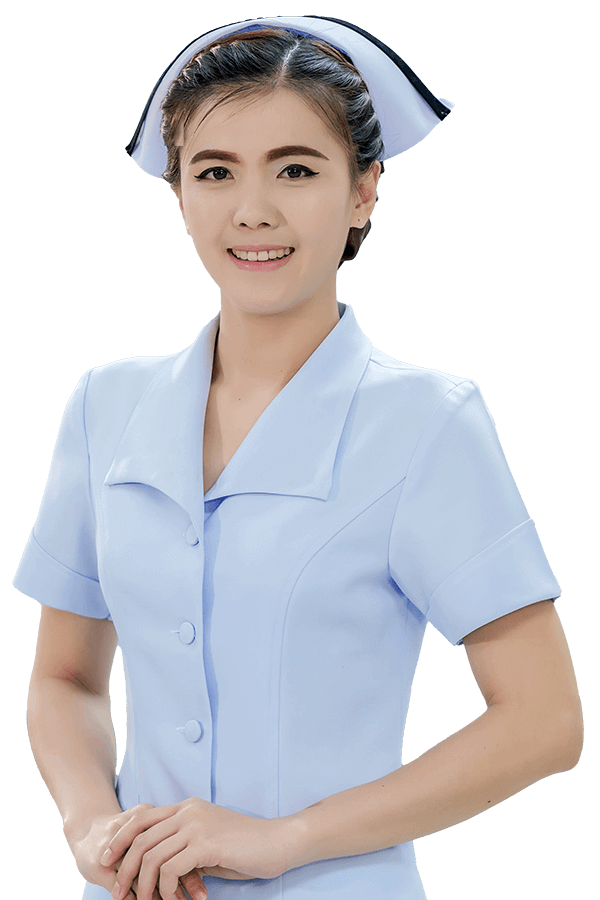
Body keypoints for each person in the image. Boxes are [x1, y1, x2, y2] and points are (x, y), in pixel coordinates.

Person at [17, 16, 582, 900]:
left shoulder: (428, 423)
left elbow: (545, 722)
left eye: (296, 169)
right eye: (215, 172)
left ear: (364, 190)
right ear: (178, 193)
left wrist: (287, 839)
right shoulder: (106, 406)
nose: (253, 211)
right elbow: (66, 679)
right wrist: (92, 826)